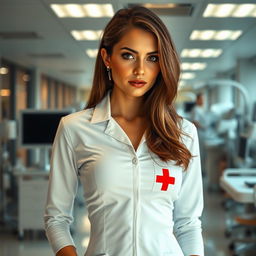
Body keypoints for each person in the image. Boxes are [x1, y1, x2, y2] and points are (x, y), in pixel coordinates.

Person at [44, 6, 204, 256]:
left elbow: (189, 224)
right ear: (107, 58)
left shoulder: (183, 132)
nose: (140, 70)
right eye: (129, 56)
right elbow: (56, 218)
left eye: (152, 58)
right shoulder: (75, 129)